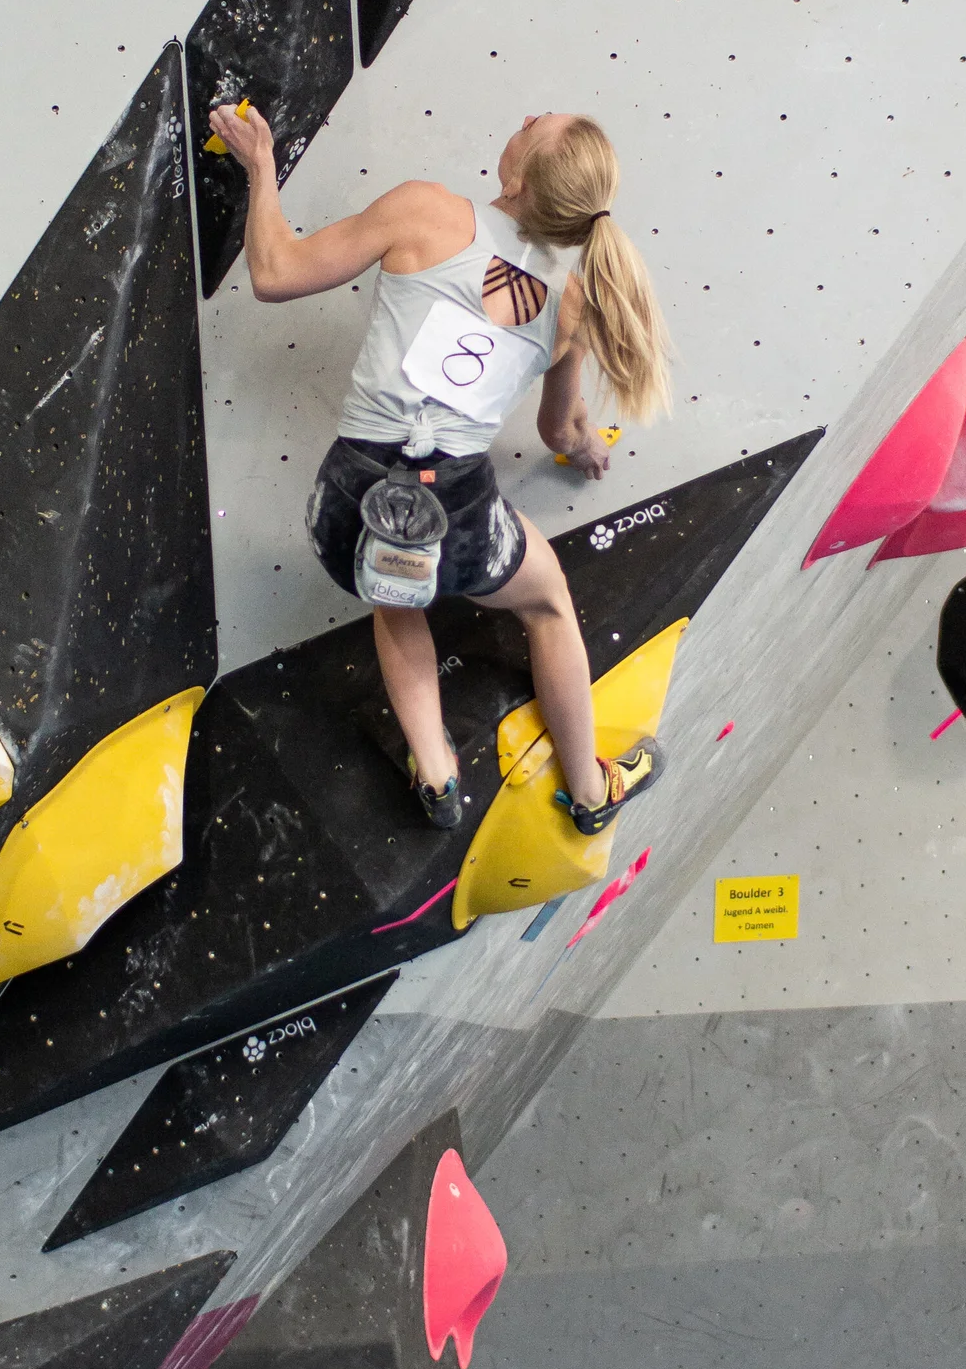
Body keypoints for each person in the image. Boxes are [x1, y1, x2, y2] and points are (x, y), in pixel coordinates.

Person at [212, 100, 672, 833]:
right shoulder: (575, 304)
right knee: (546, 599)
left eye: (532, 126)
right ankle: (591, 791)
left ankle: (437, 772)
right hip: (457, 520)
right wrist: (585, 448)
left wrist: (261, 167)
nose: (524, 115)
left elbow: (273, 272)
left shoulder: (424, 211)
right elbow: (559, 427)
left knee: (396, 579)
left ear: (518, 180)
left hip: (345, 508)